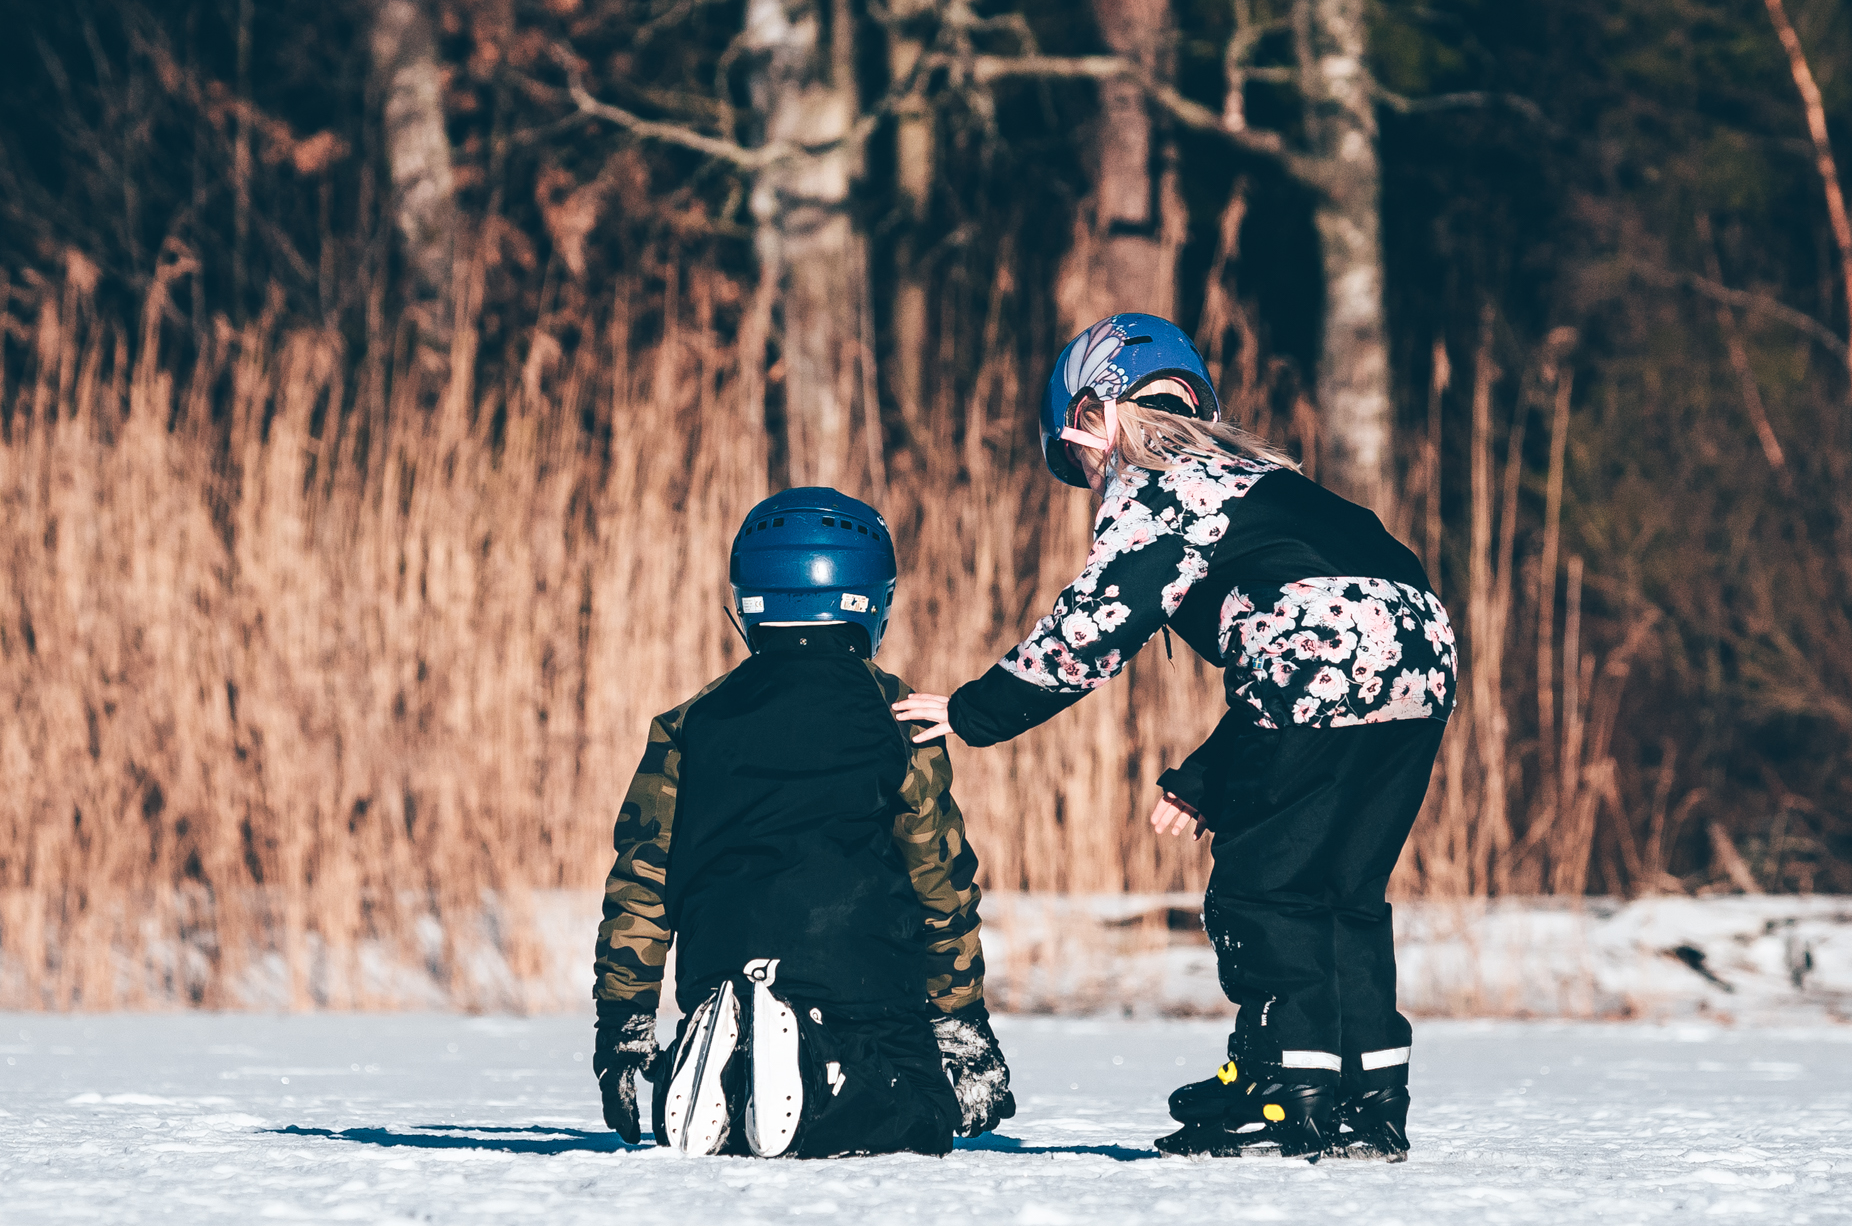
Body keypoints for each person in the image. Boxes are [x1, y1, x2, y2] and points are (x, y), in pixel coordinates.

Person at [893, 315, 1454, 1160]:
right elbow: (1299, 638)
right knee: (1346, 889)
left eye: (1075, 455)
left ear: (1095, 412)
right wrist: (1207, 775)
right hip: (1423, 647)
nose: (1086, 479)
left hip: (1324, 653)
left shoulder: (1158, 476)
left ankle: (1285, 1094)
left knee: (1266, 890)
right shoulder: (1258, 474)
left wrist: (975, 710)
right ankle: (1367, 1099)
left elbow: (1100, 622)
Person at [592, 487, 1017, 1157]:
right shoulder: (896, 713)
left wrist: (624, 1022)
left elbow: (641, 880)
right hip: (863, 984)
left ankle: (723, 1063)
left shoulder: (688, 723)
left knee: (746, 1091)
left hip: (719, 981)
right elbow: (941, 878)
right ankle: (813, 1064)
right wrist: (960, 1023)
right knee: (923, 1111)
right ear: (870, 598)